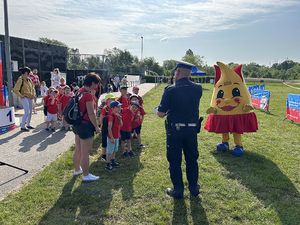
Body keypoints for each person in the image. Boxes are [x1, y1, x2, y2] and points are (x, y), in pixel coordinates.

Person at [156, 61, 202, 199]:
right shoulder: (198, 88)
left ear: (178, 72)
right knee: (192, 159)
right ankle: (194, 188)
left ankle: (178, 190)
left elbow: (160, 113)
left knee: (175, 161)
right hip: (192, 130)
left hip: (175, 131)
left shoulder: (171, 89)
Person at [72, 72, 101, 182]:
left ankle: (77, 170)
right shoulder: (88, 95)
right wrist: (97, 127)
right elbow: (91, 113)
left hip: (77, 124)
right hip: (85, 126)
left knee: (78, 149)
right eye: (97, 83)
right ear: (92, 82)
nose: (97, 86)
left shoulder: (79, 91)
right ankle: (86, 175)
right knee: (85, 152)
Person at [13, 67, 36, 132]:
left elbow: (33, 88)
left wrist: (34, 95)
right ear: (26, 73)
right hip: (25, 97)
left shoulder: (29, 80)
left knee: (30, 112)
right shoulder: (20, 80)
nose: (30, 74)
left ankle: (28, 124)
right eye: (29, 73)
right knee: (27, 112)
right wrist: (21, 96)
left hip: (30, 97)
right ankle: (23, 126)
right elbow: (15, 90)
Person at [106, 101, 123, 171]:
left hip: (116, 136)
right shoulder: (111, 116)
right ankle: (108, 164)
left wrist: (120, 119)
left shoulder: (117, 115)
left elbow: (121, 125)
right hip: (111, 137)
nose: (120, 108)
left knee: (115, 150)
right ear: (113, 108)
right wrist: (111, 137)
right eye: (118, 107)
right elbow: (109, 128)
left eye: (120, 106)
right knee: (109, 151)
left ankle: (113, 161)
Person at [99, 93, 116, 162]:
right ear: (107, 101)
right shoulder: (105, 109)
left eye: (113, 99)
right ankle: (103, 155)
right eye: (111, 100)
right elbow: (101, 118)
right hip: (105, 128)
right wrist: (101, 125)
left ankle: (110, 154)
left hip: (112, 127)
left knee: (110, 140)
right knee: (104, 141)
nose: (113, 101)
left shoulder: (113, 108)